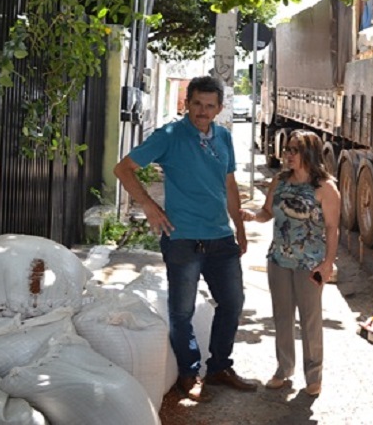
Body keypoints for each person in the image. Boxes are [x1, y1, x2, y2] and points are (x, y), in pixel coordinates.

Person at [113, 75, 256, 402]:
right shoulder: (169, 135)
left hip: (221, 237)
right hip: (183, 239)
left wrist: (240, 227)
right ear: (187, 103)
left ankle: (219, 367)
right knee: (182, 312)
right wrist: (149, 206)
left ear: (219, 108)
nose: (202, 112)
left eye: (209, 106)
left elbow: (230, 186)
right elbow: (123, 169)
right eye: (197, 104)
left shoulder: (224, 138)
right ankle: (189, 373)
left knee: (233, 304)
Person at [243, 129, 340, 397]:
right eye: (287, 149)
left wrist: (328, 264)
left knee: (310, 320)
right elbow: (267, 212)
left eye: (294, 150)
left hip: (310, 264)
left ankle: (314, 375)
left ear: (308, 154)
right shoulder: (280, 181)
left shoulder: (326, 189)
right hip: (278, 260)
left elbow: (332, 229)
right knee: (282, 317)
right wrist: (252, 217)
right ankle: (283, 369)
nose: (287, 154)